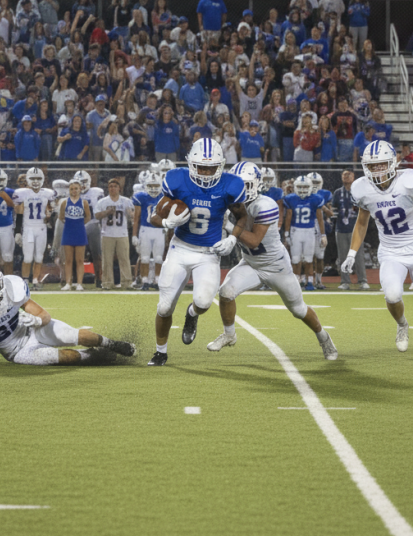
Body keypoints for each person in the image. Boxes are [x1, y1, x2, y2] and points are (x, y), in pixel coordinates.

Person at [208, 162, 337, 360]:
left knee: (298, 309)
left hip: (276, 266)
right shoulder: (229, 202)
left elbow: (253, 240)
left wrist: (227, 226)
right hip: (250, 263)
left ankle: (324, 337)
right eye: (238, 185)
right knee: (225, 292)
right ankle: (229, 334)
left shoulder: (265, 205)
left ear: (257, 185)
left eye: (247, 185)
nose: (242, 190)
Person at [340, 140, 413, 358]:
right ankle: (402, 325)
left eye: (382, 164)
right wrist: (351, 254)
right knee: (392, 296)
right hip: (391, 251)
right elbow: (362, 223)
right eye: (373, 166)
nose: (377, 169)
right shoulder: (362, 188)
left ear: (393, 163)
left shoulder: (408, 181)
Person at [147, 138, 249, 367]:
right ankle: (160, 352)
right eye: (200, 166)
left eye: (210, 167)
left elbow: (242, 216)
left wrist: (233, 238)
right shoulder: (176, 179)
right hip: (180, 249)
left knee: (203, 303)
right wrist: (165, 222)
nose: (204, 172)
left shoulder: (230, 184)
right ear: (190, 164)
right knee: (164, 307)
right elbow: (153, 215)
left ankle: (191, 315)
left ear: (220, 165)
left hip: (208, 253)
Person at [0, 260, 135, 367]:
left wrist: (36, 320)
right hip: (17, 350)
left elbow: (44, 315)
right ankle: (93, 356)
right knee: (62, 358)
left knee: (73, 334)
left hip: (32, 329)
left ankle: (112, 344)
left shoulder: (12, 287)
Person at [13, 167, 55, 289]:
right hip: (29, 228)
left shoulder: (47, 193)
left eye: (38, 178)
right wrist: (18, 232)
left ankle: (36, 280)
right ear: (27, 179)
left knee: (39, 257)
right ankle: (25, 281)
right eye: (33, 178)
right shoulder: (22, 193)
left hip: (41, 228)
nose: (36, 181)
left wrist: (48, 215)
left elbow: (49, 212)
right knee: (27, 257)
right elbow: (19, 214)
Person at [283, 176, 325, 291]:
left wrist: (323, 235)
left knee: (309, 259)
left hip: (310, 231)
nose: (302, 189)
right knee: (295, 259)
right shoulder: (290, 198)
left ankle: (310, 282)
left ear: (310, 187)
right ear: (295, 187)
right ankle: (296, 282)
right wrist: (287, 233)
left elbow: (320, 218)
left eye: (305, 187)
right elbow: (288, 217)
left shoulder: (315, 198)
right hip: (295, 231)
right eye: (300, 187)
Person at [94, 179, 134, 290]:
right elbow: (97, 215)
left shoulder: (126, 201)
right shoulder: (103, 202)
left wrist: (131, 214)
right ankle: (107, 283)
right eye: (110, 186)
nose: (112, 188)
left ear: (119, 188)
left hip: (122, 233)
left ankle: (127, 282)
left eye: (115, 186)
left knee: (124, 259)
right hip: (107, 233)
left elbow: (133, 216)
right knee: (107, 260)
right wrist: (107, 212)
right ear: (108, 188)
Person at [132, 172, 165, 291]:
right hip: (145, 229)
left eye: (156, 186)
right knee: (145, 258)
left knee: (158, 258)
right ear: (146, 186)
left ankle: (157, 280)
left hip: (159, 230)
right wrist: (134, 235)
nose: (153, 189)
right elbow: (136, 218)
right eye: (150, 186)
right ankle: (145, 281)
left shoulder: (164, 197)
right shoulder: (141, 197)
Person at [73, 170, 105, 288]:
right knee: (78, 255)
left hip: (94, 224)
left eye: (84, 181)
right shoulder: (73, 193)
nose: (82, 184)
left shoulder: (97, 192)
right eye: (79, 182)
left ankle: (99, 279)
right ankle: (77, 280)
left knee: (97, 255)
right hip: (79, 226)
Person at [58, 179, 90, 291]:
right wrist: (71, 223)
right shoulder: (64, 202)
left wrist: (79, 224)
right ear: (69, 190)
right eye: (71, 189)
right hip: (68, 232)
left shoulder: (84, 202)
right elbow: (61, 217)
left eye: (76, 188)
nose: (74, 191)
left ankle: (79, 283)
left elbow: (88, 217)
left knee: (80, 260)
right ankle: (68, 283)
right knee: (68, 260)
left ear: (80, 189)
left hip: (80, 232)